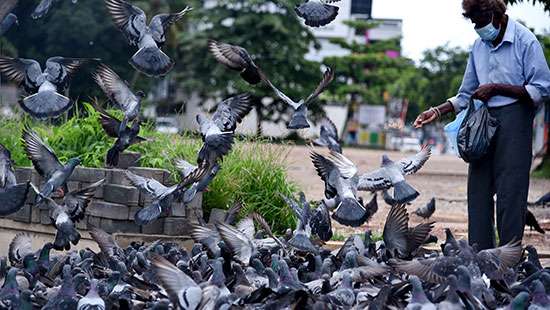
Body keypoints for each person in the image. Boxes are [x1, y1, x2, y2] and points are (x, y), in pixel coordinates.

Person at [413, 0, 550, 250]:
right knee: (478, 190)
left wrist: (497, 88)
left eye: (481, 22)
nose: (478, 28)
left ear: (496, 16)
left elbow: (542, 88)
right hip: (482, 123)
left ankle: (507, 258)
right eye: (474, 23)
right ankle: (480, 257)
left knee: (511, 192)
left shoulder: (525, 40)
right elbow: (466, 94)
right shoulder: (478, 46)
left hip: (515, 119)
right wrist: (436, 111)